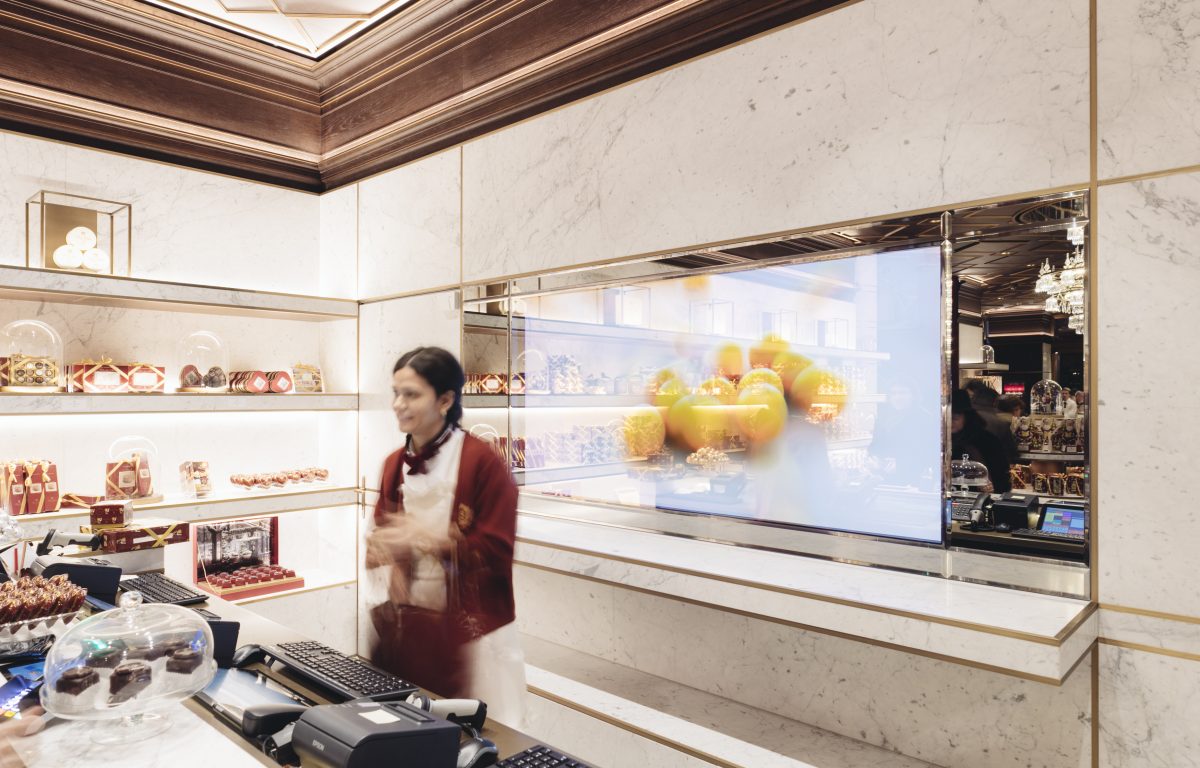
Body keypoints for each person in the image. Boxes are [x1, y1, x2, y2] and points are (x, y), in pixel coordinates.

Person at [366, 346, 526, 725]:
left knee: (477, 739)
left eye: (411, 394)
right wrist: (380, 547)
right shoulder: (392, 464)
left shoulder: (483, 463)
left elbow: (498, 550)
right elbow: (380, 534)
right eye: (396, 392)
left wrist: (429, 539)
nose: (398, 404)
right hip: (412, 632)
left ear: (446, 400)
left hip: (475, 636)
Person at [951, 388, 1011, 493]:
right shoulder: (940, 440)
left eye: (955, 418)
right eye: (945, 418)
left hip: (978, 501)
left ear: (967, 417)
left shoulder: (986, 441)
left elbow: (1001, 478)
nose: (949, 422)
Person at [964, 379, 1019, 463]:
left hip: (965, 466)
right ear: (995, 402)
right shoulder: (1000, 421)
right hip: (990, 468)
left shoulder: (963, 417)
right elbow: (1011, 452)